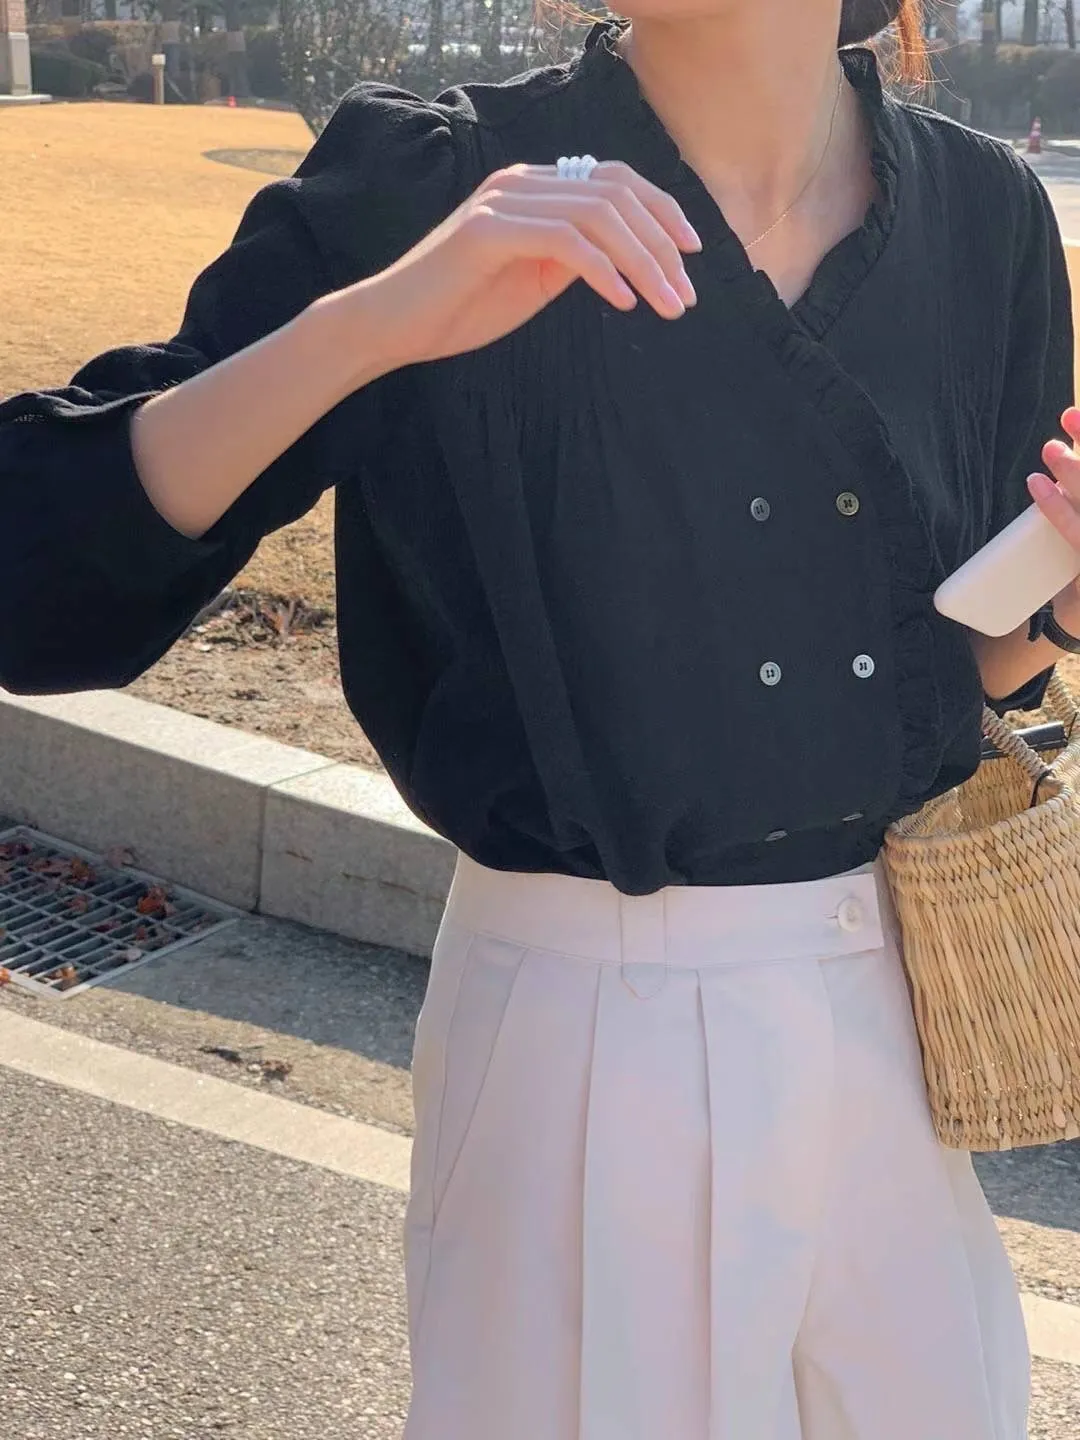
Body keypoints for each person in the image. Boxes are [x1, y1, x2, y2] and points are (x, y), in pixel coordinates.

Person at [3, 0, 1079, 1432]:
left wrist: (1059, 605)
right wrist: (376, 324)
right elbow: (36, 578)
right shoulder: (441, 184)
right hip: (585, 1037)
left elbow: (962, 672)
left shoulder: (986, 216)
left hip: (899, 1036)